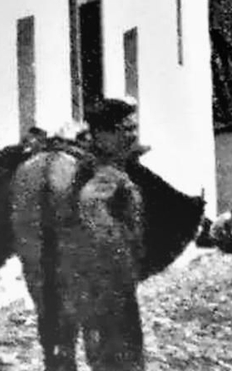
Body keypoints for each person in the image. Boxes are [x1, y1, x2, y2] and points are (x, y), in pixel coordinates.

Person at [72, 98, 148, 371]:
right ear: (103, 135)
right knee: (115, 354)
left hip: (115, 280)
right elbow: (94, 216)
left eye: (133, 127)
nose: (132, 134)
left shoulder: (113, 169)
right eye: (124, 128)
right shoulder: (102, 175)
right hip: (106, 281)